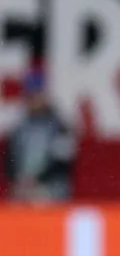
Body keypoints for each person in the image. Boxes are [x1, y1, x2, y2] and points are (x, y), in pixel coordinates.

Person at [4, 69, 76, 204]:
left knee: (41, 200)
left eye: (37, 95)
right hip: (22, 188)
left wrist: (36, 181)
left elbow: (62, 165)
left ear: (45, 96)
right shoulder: (19, 127)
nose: (33, 100)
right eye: (30, 96)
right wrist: (19, 179)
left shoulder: (60, 127)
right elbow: (9, 160)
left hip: (52, 189)